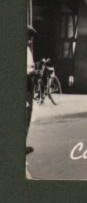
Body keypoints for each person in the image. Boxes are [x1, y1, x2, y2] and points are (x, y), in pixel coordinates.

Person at [26, 26, 36, 156]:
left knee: (28, 114)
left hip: (29, 83)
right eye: (29, 37)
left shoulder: (27, 49)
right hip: (26, 84)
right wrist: (33, 72)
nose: (30, 40)